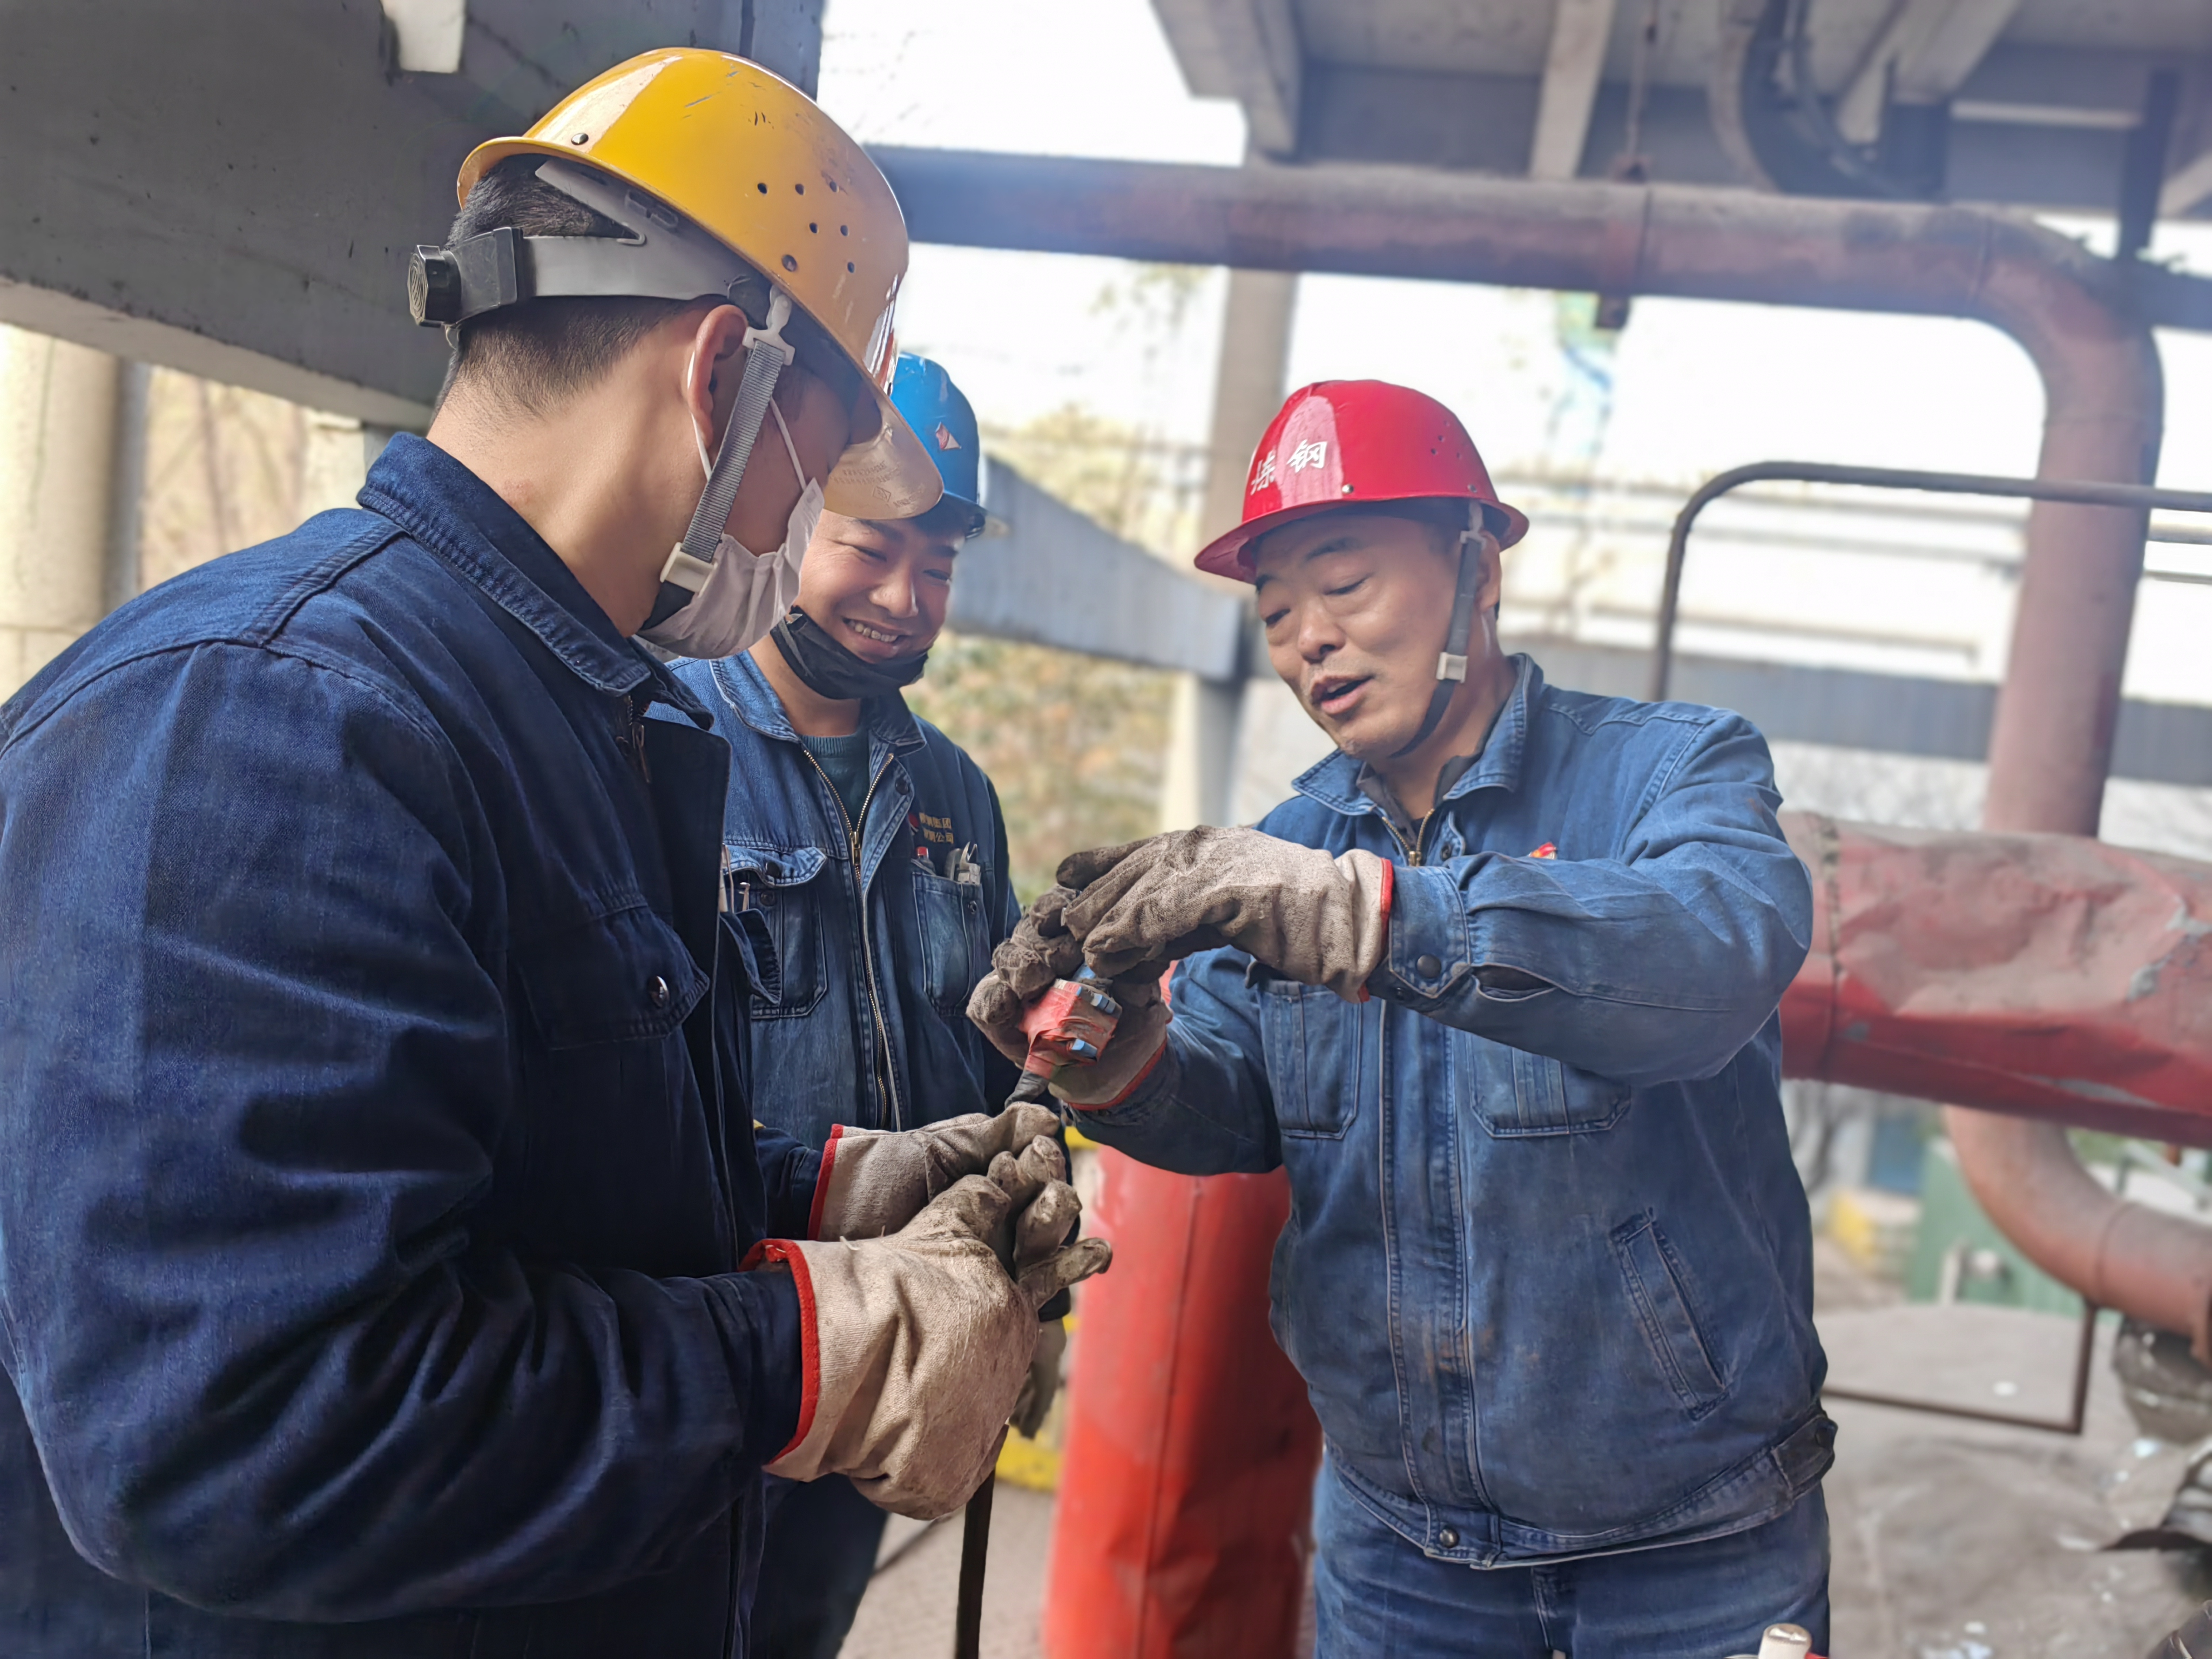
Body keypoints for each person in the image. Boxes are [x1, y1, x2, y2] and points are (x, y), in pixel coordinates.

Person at [0, 50, 1103, 1659]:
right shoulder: (271, 720)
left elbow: (510, 1179)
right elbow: (242, 1426)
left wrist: (825, 1192)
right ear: (724, 379)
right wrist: (809, 1350)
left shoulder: (577, 721)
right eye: (824, 472)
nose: (806, 532)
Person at [972, 380, 1830, 1658]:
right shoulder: (1287, 842)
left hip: (1694, 1549)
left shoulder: (1671, 769)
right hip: (1400, 1549)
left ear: (1474, 571)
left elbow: (1709, 963)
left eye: (1346, 585)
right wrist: (1104, 1049)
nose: (1308, 638)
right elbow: (1238, 1110)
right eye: (1276, 613)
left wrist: (1371, 918)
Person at [670, 352, 1038, 1657]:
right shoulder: (658, 743)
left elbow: (1001, 1071)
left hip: (895, 1360)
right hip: (720, 1346)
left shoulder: (958, 796)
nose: (904, 600)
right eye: (870, 548)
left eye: (937, 567)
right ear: (781, 521)